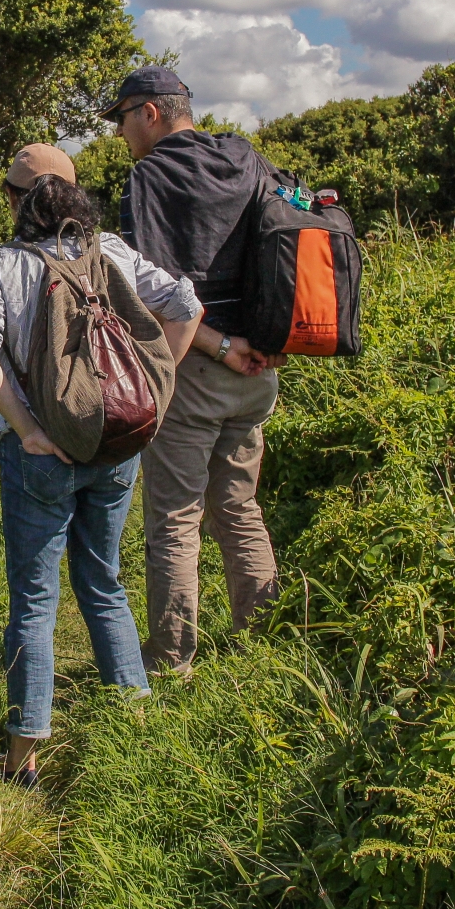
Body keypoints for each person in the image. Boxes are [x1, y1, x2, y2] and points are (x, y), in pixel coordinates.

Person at [0, 143, 202, 785]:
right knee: (104, 580)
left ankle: (22, 759)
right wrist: (156, 397)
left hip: (42, 452)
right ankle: (135, 726)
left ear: (14, 201)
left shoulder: (2, 265)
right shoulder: (113, 252)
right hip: (118, 444)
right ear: (75, 197)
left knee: (34, 602)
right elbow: (186, 306)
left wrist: (31, 431)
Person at [101, 67, 284, 674]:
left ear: (151, 112)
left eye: (123, 118)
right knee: (238, 505)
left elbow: (147, 288)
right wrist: (256, 342)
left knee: (175, 517)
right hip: (261, 370)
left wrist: (217, 344)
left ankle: (170, 660)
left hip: (198, 365)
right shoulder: (245, 158)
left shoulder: (150, 178)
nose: (121, 133)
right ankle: (262, 642)